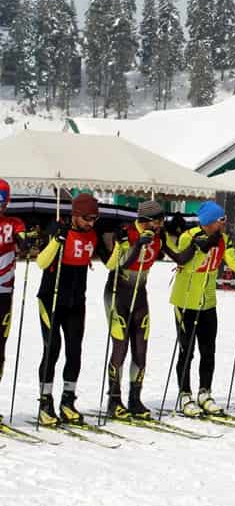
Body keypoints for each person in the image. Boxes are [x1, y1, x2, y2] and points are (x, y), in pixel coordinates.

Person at [170, 200, 235, 417]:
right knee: (187, 351)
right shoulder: (188, 236)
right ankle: (184, 394)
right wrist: (201, 248)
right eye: (222, 220)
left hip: (208, 302)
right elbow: (184, 262)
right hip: (185, 301)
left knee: (208, 351)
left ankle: (204, 393)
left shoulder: (224, 239)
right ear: (209, 222)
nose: (225, 223)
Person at [103, 200, 176, 420]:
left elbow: (179, 256)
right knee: (120, 347)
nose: (161, 224)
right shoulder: (125, 233)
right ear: (145, 221)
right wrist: (138, 245)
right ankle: (114, 400)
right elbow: (118, 264)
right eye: (158, 220)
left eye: (163, 220)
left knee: (141, 348)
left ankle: (135, 399)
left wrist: (202, 245)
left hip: (140, 295)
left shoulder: (158, 237)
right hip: (118, 294)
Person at [36, 193, 101, 426]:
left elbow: (112, 263)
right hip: (50, 300)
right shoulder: (56, 227)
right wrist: (57, 240)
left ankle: (67, 401)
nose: (91, 223)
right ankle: (45, 403)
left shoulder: (92, 234)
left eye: (95, 218)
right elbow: (41, 262)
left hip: (76, 302)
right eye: (86, 218)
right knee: (52, 349)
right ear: (74, 215)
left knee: (74, 352)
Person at [0, 180, 34, 424]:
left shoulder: (14, 224)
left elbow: (22, 240)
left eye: (2, 202)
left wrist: (26, 243)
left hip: (4, 293)